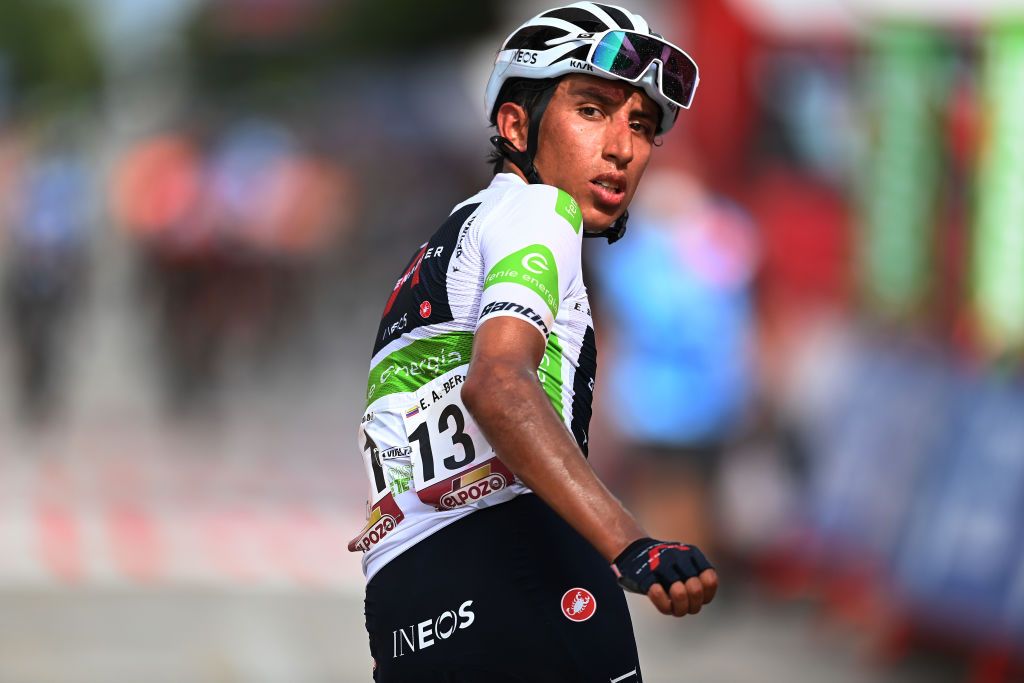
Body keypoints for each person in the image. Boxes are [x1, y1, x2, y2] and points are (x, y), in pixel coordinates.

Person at [350, 4, 718, 680]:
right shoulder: (538, 212)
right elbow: (496, 384)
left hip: (408, 604)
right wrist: (631, 543)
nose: (623, 147)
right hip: (522, 568)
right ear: (516, 125)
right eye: (592, 110)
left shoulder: (440, 246)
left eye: (640, 124)